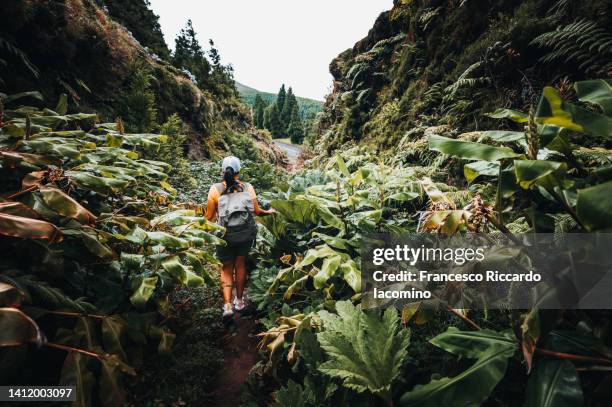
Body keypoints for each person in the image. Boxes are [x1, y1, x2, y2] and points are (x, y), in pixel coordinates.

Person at [205, 156, 276, 319]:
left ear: (223, 171)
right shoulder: (247, 187)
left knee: (226, 268)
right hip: (245, 234)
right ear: (239, 171)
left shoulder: (215, 189)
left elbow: (208, 217)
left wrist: (195, 226)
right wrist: (269, 211)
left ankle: (227, 305)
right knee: (240, 264)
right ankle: (239, 301)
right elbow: (257, 211)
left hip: (224, 236)